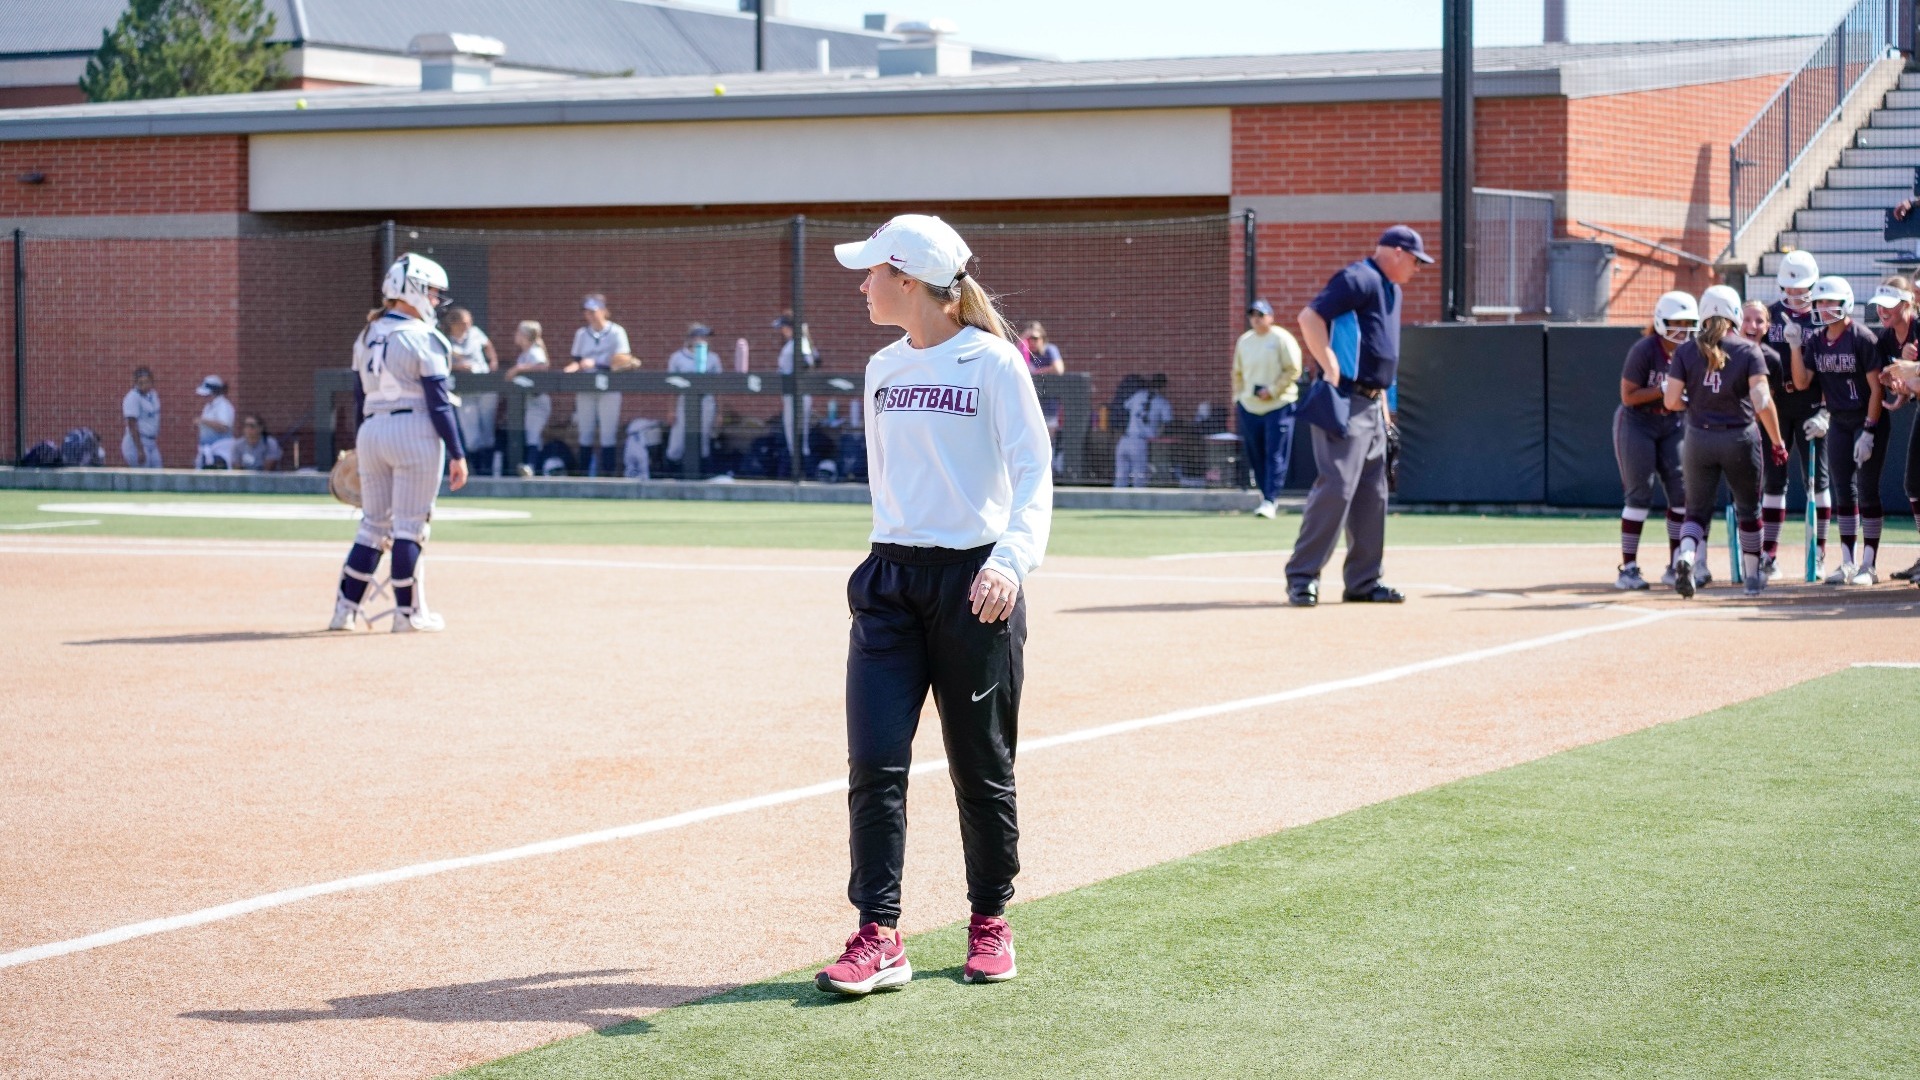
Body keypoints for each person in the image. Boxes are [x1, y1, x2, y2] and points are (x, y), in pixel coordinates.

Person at [814, 214, 1052, 996]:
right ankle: (878, 935)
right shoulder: (882, 367)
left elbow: (1034, 474)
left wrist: (1010, 563)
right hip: (890, 583)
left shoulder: (994, 363)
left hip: (976, 587)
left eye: (872, 273)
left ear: (908, 281)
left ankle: (990, 919)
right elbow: (890, 486)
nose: (862, 285)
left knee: (980, 766)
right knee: (874, 764)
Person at [1286, 225, 1430, 607]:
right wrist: (1330, 366)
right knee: (1337, 487)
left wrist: (1385, 408)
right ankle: (1302, 577)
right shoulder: (1359, 278)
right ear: (1397, 252)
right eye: (1416, 260)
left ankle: (1363, 582)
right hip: (1345, 400)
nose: (1418, 268)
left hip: (1371, 404)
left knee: (1373, 493)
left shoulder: (1391, 289)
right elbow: (1309, 317)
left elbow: (1379, 352)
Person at [327, 254, 470, 634]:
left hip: (372, 430)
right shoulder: (423, 337)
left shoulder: (367, 334)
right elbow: (439, 403)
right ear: (415, 290)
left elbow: (359, 397)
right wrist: (457, 453)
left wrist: (363, 441)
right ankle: (407, 614)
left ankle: (345, 611)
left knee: (372, 527)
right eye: (433, 293)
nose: (437, 302)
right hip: (414, 432)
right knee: (410, 527)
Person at [1663, 285, 1788, 598]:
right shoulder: (1748, 350)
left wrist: (1693, 405)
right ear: (1734, 313)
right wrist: (1777, 440)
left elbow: (1670, 400)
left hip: (1698, 438)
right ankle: (1751, 579)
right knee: (1749, 510)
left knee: (1696, 512)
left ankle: (1687, 556)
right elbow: (1762, 400)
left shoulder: (1685, 351)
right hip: (1739, 438)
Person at [1788, 276, 1889, 585]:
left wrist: (1869, 430)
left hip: (1866, 419)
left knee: (1867, 491)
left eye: (1829, 301)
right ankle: (1847, 561)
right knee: (1844, 491)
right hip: (1839, 421)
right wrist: (1794, 346)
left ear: (1844, 302)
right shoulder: (1816, 340)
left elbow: (1876, 390)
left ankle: (1868, 565)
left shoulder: (1861, 337)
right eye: (1819, 302)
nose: (1823, 307)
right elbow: (1803, 382)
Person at [1611, 292, 1694, 591]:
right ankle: (1629, 568)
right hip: (1638, 422)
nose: (1682, 329)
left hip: (1673, 422)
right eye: (1677, 322)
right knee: (1639, 494)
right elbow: (1628, 396)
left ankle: (1675, 566)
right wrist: (1662, 389)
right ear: (1661, 321)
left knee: (1681, 493)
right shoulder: (1645, 349)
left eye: (1689, 323)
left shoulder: (1693, 351)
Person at [1759, 250, 1831, 577]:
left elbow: (1834, 370)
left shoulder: (1823, 316)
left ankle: (1819, 553)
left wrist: (1827, 412)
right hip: (1777, 406)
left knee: (1818, 481)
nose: (1795, 295)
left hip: (1813, 406)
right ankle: (1768, 555)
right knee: (1774, 481)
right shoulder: (1769, 316)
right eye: (1790, 289)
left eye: (1802, 289)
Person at [1868, 279, 1920, 581]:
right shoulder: (1885, 340)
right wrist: (1902, 392)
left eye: (1889, 304)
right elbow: (1892, 379)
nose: (1882, 310)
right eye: (1879, 304)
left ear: (1906, 304)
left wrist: (1910, 379)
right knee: (1913, 484)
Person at [1233, 299, 1304, 518]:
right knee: (1256, 454)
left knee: (1275, 454)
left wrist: (1272, 390)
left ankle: (1271, 499)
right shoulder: (1245, 341)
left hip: (1278, 405)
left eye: (1261, 315)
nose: (1256, 319)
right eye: (1252, 315)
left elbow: (1293, 370)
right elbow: (1237, 373)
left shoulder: (1282, 339)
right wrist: (1239, 397)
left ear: (1270, 317)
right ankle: (1265, 497)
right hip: (1250, 407)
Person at [564, 294, 634, 477]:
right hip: (586, 385)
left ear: (604, 311)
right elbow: (577, 360)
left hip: (609, 384)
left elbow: (623, 360)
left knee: (608, 434)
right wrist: (573, 368)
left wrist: (596, 363)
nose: (591, 315)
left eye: (594, 311)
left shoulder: (617, 331)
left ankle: (608, 477)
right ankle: (583, 475)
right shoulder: (581, 333)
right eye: (588, 312)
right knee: (585, 432)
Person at [444, 307, 500, 475]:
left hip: (484, 385)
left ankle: (488, 471)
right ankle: (477, 470)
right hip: (464, 390)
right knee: (472, 435)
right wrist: (459, 366)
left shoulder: (475, 333)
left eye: (469, 322)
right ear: (454, 323)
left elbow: (488, 346)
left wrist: (493, 363)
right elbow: (440, 363)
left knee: (487, 431)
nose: (468, 326)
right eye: (464, 323)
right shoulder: (446, 341)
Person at [666, 323, 720, 470]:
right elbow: (672, 387)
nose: (705, 340)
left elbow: (718, 388)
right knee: (676, 444)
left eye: (706, 337)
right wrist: (671, 410)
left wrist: (719, 413)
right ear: (692, 337)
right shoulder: (677, 357)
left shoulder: (713, 358)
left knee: (702, 441)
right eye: (701, 336)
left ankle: (701, 476)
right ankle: (672, 474)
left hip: (706, 401)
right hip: (684, 402)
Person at [503, 320, 551, 476]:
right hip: (527, 400)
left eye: (518, 332)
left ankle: (531, 466)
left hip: (538, 399)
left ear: (525, 335)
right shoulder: (525, 353)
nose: (516, 335)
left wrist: (518, 368)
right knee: (529, 434)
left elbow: (543, 366)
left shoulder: (535, 351)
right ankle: (530, 465)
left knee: (533, 434)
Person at [1113, 373, 1173, 487]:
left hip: (1124, 440)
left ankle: (1117, 503)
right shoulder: (1162, 402)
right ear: (1163, 386)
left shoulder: (1138, 395)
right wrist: (1158, 434)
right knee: (1139, 478)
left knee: (1120, 477)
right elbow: (1167, 423)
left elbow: (1125, 408)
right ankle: (1137, 504)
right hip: (1140, 442)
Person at [775, 312, 816, 471]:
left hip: (798, 394)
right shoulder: (793, 343)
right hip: (791, 394)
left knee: (798, 434)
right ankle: (797, 469)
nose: (782, 331)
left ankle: (802, 471)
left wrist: (794, 377)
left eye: (783, 327)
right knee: (792, 433)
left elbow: (807, 363)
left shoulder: (800, 341)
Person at [120, 367, 161, 468]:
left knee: (158, 472)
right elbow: (132, 425)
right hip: (137, 442)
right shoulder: (132, 397)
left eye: (147, 382)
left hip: (151, 442)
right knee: (144, 477)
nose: (144, 386)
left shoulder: (153, 395)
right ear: (135, 383)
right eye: (140, 383)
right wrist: (139, 450)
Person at [193, 374, 235, 468]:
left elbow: (224, 427)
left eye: (207, 395)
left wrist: (203, 421)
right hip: (207, 450)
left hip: (220, 452)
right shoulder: (208, 406)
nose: (205, 397)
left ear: (214, 392)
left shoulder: (223, 405)